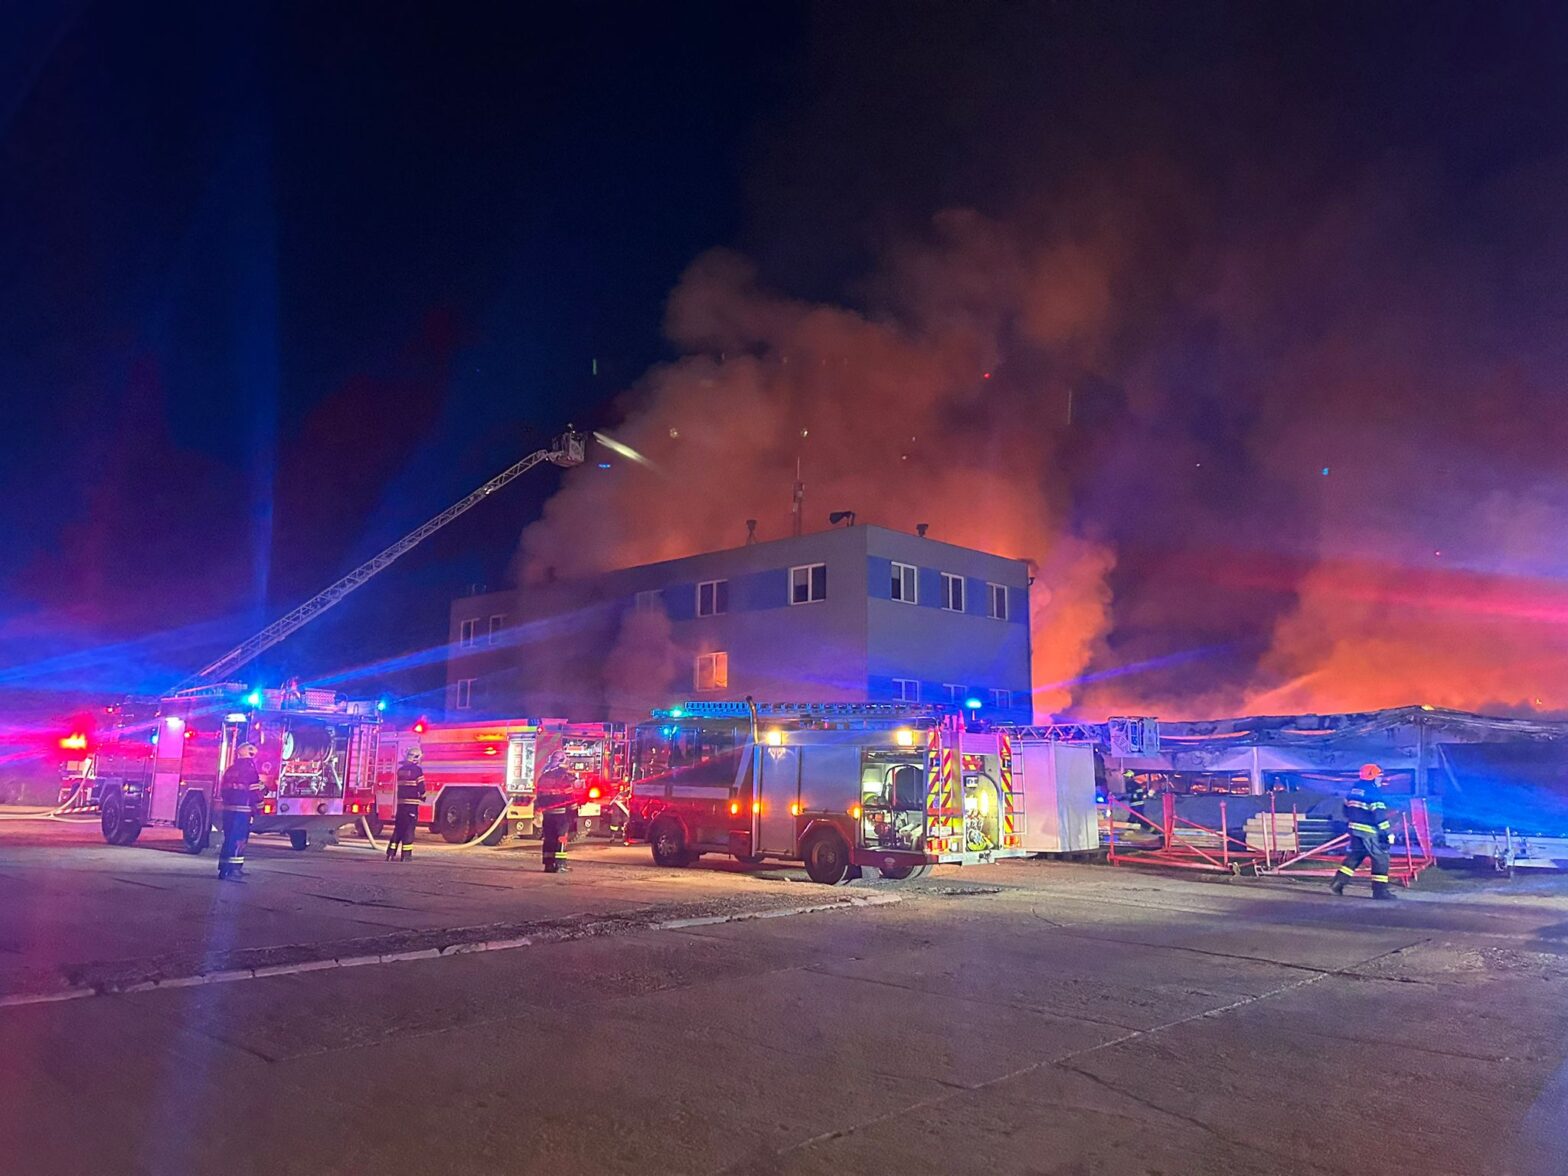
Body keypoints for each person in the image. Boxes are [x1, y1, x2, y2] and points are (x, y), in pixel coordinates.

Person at [1332, 763, 1396, 899]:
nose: (1381, 780)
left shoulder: (1354, 790)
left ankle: (1338, 882)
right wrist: (1387, 833)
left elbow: (1345, 810)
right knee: (1381, 858)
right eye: (1379, 777)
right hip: (1369, 832)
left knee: (1356, 856)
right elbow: (1379, 816)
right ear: (1372, 777)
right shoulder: (1373, 793)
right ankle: (1380, 892)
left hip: (1354, 830)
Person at [218, 742, 265, 881]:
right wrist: (259, 807)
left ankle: (223, 868)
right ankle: (234, 869)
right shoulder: (250, 770)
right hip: (242, 811)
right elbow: (254, 791)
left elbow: (224, 789)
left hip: (228, 810)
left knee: (228, 839)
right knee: (239, 840)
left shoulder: (231, 769)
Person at [537, 755, 579, 873]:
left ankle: (548, 865)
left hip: (547, 814)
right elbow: (569, 796)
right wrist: (574, 813)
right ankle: (560, 864)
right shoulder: (564, 777)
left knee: (549, 838)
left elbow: (539, 795)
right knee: (561, 838)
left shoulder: (544, 776)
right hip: (561, 814)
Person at [387, 747, 425, 862]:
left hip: (401, 804)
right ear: (416, 757)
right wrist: (423, 796)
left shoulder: (401, 770)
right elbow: (421, 787)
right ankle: (406, 855)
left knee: (398, 829)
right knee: (409, 829)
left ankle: (390, 853)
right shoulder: (417, 771)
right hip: (411, 805)